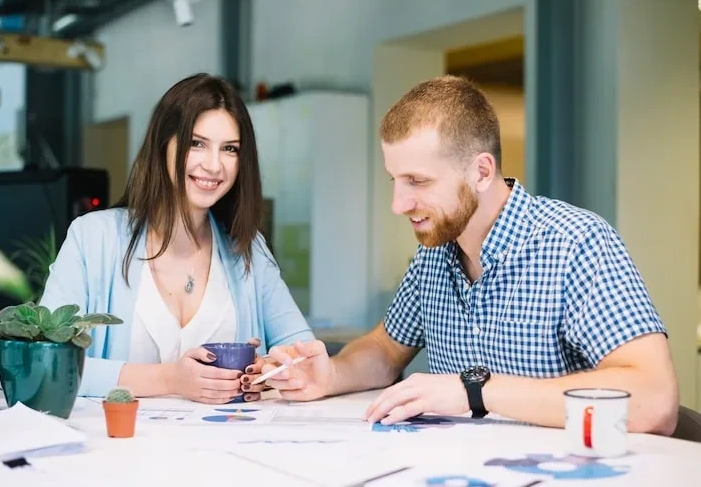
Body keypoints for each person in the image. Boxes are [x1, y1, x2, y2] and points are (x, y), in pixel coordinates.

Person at [261, 75, 679, 435]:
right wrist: (330, 374)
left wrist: (473, 391)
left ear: (480, 171)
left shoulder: (576, 243)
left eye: (417, 181)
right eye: (395, 179)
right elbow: (386, 351)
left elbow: (654, 401)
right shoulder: (437, 249)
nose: (398, 203)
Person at [38, 73, 314, 402]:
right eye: (197, 143)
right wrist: (171, 379)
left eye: (229, 149)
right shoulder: (93, 238)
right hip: (119, 447)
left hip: (225, 449)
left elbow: (302, 355)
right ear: (162, 145)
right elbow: (49, 363)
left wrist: (267, 372)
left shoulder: (247, 247)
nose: (214, 165)